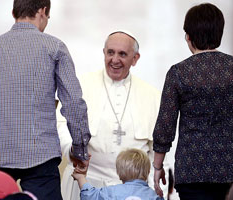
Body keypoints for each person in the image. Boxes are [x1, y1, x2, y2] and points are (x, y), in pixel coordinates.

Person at [0, 0, 91, 199]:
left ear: (14, 12)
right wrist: (81, 150)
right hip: (41, 158)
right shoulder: (55, 48)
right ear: (43, 11)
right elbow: (74, 105)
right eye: (48, 16)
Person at [152, 3, 233, 200]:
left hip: (193, 169)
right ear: (220, 33)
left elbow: (165, 125)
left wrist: (157, 166)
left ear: (188, 36)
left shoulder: (178, 73)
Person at [57, 31, 175, 199]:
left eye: (122, 54)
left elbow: (160, 148)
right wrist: (72, 149)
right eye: (110, 52)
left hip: (133, 192)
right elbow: (61, 125)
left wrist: (158, 185)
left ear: (135, 59)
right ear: (104, 53)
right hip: (86, 181)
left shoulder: (152, 95)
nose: (115, 60)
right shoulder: (80, 86)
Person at [72, 148, 164, 200]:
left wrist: (81, 177)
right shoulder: (153, 196)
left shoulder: (109, 193)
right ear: (148, 172)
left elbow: (89, 195)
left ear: (118, 172)